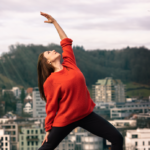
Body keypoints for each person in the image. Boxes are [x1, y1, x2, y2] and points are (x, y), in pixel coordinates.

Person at [37, 12, 123, 150]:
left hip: (86, 115)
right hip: (65, 120)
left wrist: (54, 22)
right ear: (48, 62)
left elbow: (66, 42)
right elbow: (51, 107)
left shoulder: (70, 64)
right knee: (46, 148)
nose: (53, 50)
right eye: (49, 52)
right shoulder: (50, 81)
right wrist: (48, 129)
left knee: (117, 138)